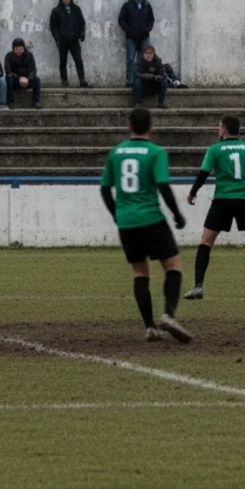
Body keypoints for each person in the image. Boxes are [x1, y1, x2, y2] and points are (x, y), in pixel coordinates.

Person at [100, 108, 192, 343]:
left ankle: (150, 327)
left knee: (140, 272)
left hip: (127, 222)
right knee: (173, 266)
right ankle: (168, 314)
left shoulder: (115, 153)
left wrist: (117, 215)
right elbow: (163, 186)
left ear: (129, 127)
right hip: (151, 218)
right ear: (151, 127)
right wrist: (177, 214)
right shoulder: (156, 152)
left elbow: (104, 189)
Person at [184, 115, 245, 300]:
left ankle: (198, 287)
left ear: (224, 130)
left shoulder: (215, 149)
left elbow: (203, 174)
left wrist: (193, 192)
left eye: (219, 127)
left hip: (223, 200)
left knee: (206, 242)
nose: (218, 129)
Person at [49, 0, 89, 88]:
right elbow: (52, 26)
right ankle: (64, 81)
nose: (66, 0)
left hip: (74, 40)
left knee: (78, 60)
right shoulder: (56, 11)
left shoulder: (76, 9)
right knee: (63, 62)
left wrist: (82, 33)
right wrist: (57, 38)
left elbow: (82, 22)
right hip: (62, 41)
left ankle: (82, 80)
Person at [118, 0, 155, 86]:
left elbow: (151, 20)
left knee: (144, 59)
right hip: (131, 38)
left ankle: (143, 80)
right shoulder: (127, 5)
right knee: (130, 59)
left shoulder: (147, 5)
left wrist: (147, 30)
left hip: (144, 38)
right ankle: (129, 80)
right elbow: (121, 20)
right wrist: (128, 31)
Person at [4, 38, 41, 109]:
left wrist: (27, 79)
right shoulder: (9, 56)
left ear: (24, 48)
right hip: (15, 80)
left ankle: (35, 102)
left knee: (37, 80)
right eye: (16, 49)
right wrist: (19, 78)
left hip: (27, 80)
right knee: (8, 79)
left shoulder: (29, 55)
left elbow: (33, 70)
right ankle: (10, 102)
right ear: (13, 49)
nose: (18, 51)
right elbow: (8, 71)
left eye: (20, 49)